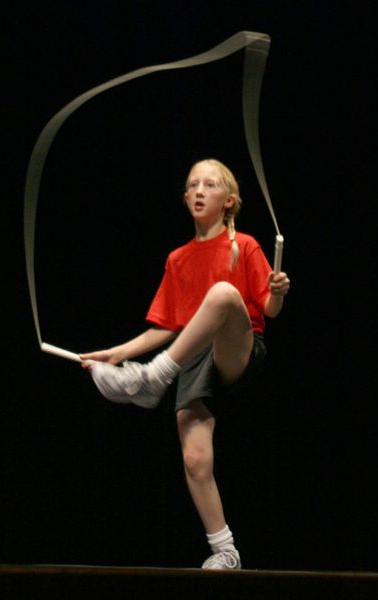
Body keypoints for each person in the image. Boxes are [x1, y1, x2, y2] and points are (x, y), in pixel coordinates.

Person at [80, 159, 290, 569]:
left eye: (209, 185)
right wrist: (115, 353)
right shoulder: (177, 259)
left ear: (228, 200)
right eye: (193, 184)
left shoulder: (243, 245)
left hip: (235, 349)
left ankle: (152, 380)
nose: (198, 191)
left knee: (224, 295)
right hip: (191, 361)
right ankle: (225, 551)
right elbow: (166, 326)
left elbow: (270, 309)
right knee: (195, 459)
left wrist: (279, 290)